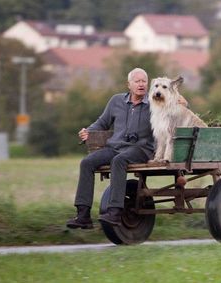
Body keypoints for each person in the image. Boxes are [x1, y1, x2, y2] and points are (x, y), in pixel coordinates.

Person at [66, 68, 155, 229]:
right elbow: (102, 122)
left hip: (141, 149)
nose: (141, 84)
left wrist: (184, 102)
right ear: (128, 84)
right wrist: (88, 131)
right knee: (87, 162)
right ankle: (83, 215)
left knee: (118, 161)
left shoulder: (155, 102)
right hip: (115, 147)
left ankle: (115, 211)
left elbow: (174, 109)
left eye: (144, 81)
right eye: (137, 81)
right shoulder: (116, 101)